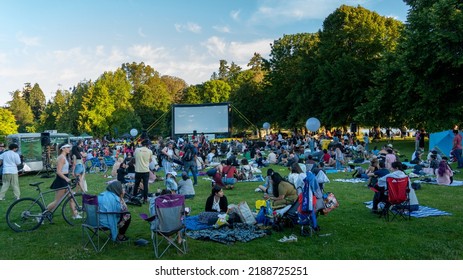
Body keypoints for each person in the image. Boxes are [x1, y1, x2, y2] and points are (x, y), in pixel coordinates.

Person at [46, 143, 81, 218]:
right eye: (67, 147)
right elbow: (58, 171)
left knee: (71, 197)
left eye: (69, 147)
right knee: (57, 201)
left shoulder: (64, 156)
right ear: (63, 148)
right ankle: (42, 214)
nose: (69, 149)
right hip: (61, 180)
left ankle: (75, 214)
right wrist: (66, 178)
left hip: (65, 178)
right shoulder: (61, 157)